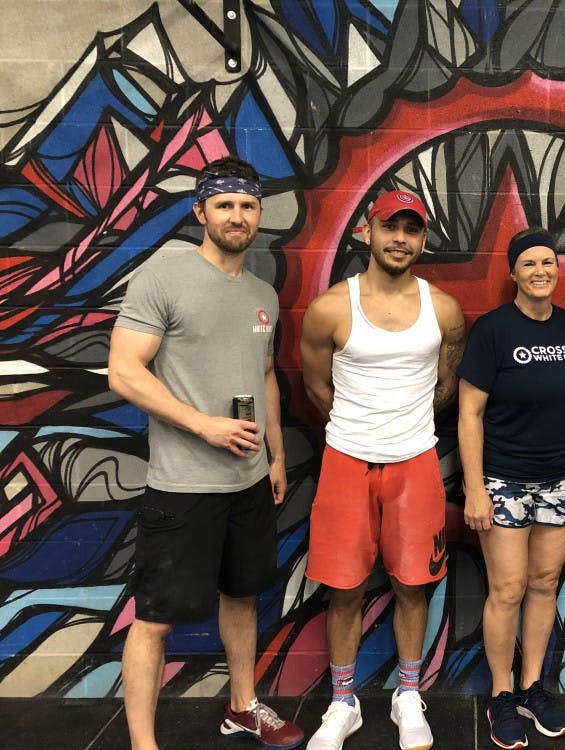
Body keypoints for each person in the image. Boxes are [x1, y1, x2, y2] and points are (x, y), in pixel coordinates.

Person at [108, 156, 304, 750]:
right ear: (201, 212)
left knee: (242, 596)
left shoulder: (261, 291)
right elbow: (122, 371)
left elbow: (265, 374)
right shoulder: (164, 277)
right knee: (155, 619)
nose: (236, 216)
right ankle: (144, 744)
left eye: (246, 205)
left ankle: (243, 707)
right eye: (224, 205)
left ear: (259, 215)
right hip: (183, 484)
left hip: (247, 484)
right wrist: (202, 425)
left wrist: (273, 455)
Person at [300, 190, 465, 750]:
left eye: (412, 230)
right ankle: (343, 702)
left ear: (422, 240)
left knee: (412, 585)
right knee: (344, 590)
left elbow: (446, 385)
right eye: (389, 227)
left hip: (415, 463)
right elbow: (316, 387)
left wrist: (402, 426)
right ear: (366, 232)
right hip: (346, 461)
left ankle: (408, 695)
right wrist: (360, 428)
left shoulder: (443, 309)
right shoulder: (330, 308)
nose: (400, 238)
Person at [457, 228, 565, 750]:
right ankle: (501, 694)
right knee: (508, 588)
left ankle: (531, 685)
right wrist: (475, 488)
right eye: (529, 263)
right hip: (503, 480)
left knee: (544, 584)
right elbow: (469, 413)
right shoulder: (493, 331)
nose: (541, 270)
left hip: (561, 478)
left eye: (549, 262)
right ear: (513, 273)